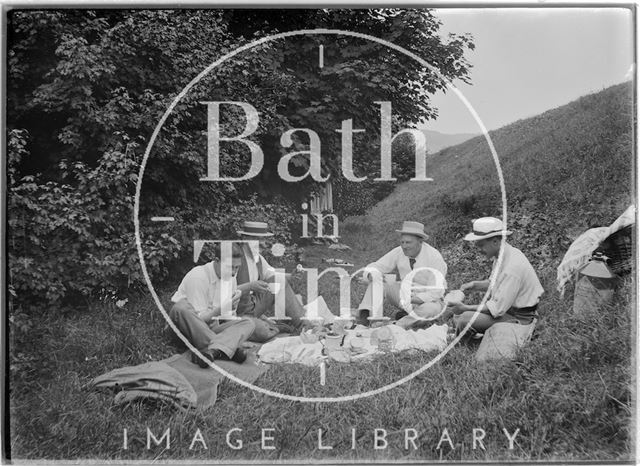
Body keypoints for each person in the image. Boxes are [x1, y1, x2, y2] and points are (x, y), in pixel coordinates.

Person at [446, 217, 544, 337]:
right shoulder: (502, 255)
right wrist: (474, 285)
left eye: (481, 245)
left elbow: (497, 309)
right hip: (508, 311)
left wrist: (465, 307)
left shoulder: (512, 267)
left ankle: (467, 341)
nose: (479, 250)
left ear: (495, 241)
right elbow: (495, 283)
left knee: (464, 319)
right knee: (461, 316)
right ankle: (468, 332)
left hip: (520, 319)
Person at [169, 243, 255, 367]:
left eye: (237, 268)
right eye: (230, 267)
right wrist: (232, 339)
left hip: (210, 330)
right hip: (186, 328)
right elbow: (198, 321)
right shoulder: (198, 276)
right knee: (180, 307)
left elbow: (227, 318)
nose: (233, 272)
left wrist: (235, 335)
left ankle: (214, 351)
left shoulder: (231, 278)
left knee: (248, 322)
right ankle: (226, 349)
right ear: (217, 261)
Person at [354, 220, 448, 325]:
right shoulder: (399, 251)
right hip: (405, 296)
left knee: (430, 310)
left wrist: (414, 299)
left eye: (408, 242)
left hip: (428, 301)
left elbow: (436, 292)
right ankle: (366, 316)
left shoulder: (434, 257)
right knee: (378, 281)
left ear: (420, 242)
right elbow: (376, 266)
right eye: (402, 242)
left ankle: (397, 325)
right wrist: (372, 274)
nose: (404, 246)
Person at [235, 220, 306, 341]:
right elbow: (223, 293)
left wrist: (292, 276)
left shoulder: (258, 258)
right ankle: (275, 327)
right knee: (262, 332)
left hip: (253, 307)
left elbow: (273, 275)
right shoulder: (234, 258)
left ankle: (304, 325)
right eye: (258, 240)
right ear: (246, 238)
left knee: (278, 280)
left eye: (264, 240)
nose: (263, 244)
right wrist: (250, 286)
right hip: (236, 314)